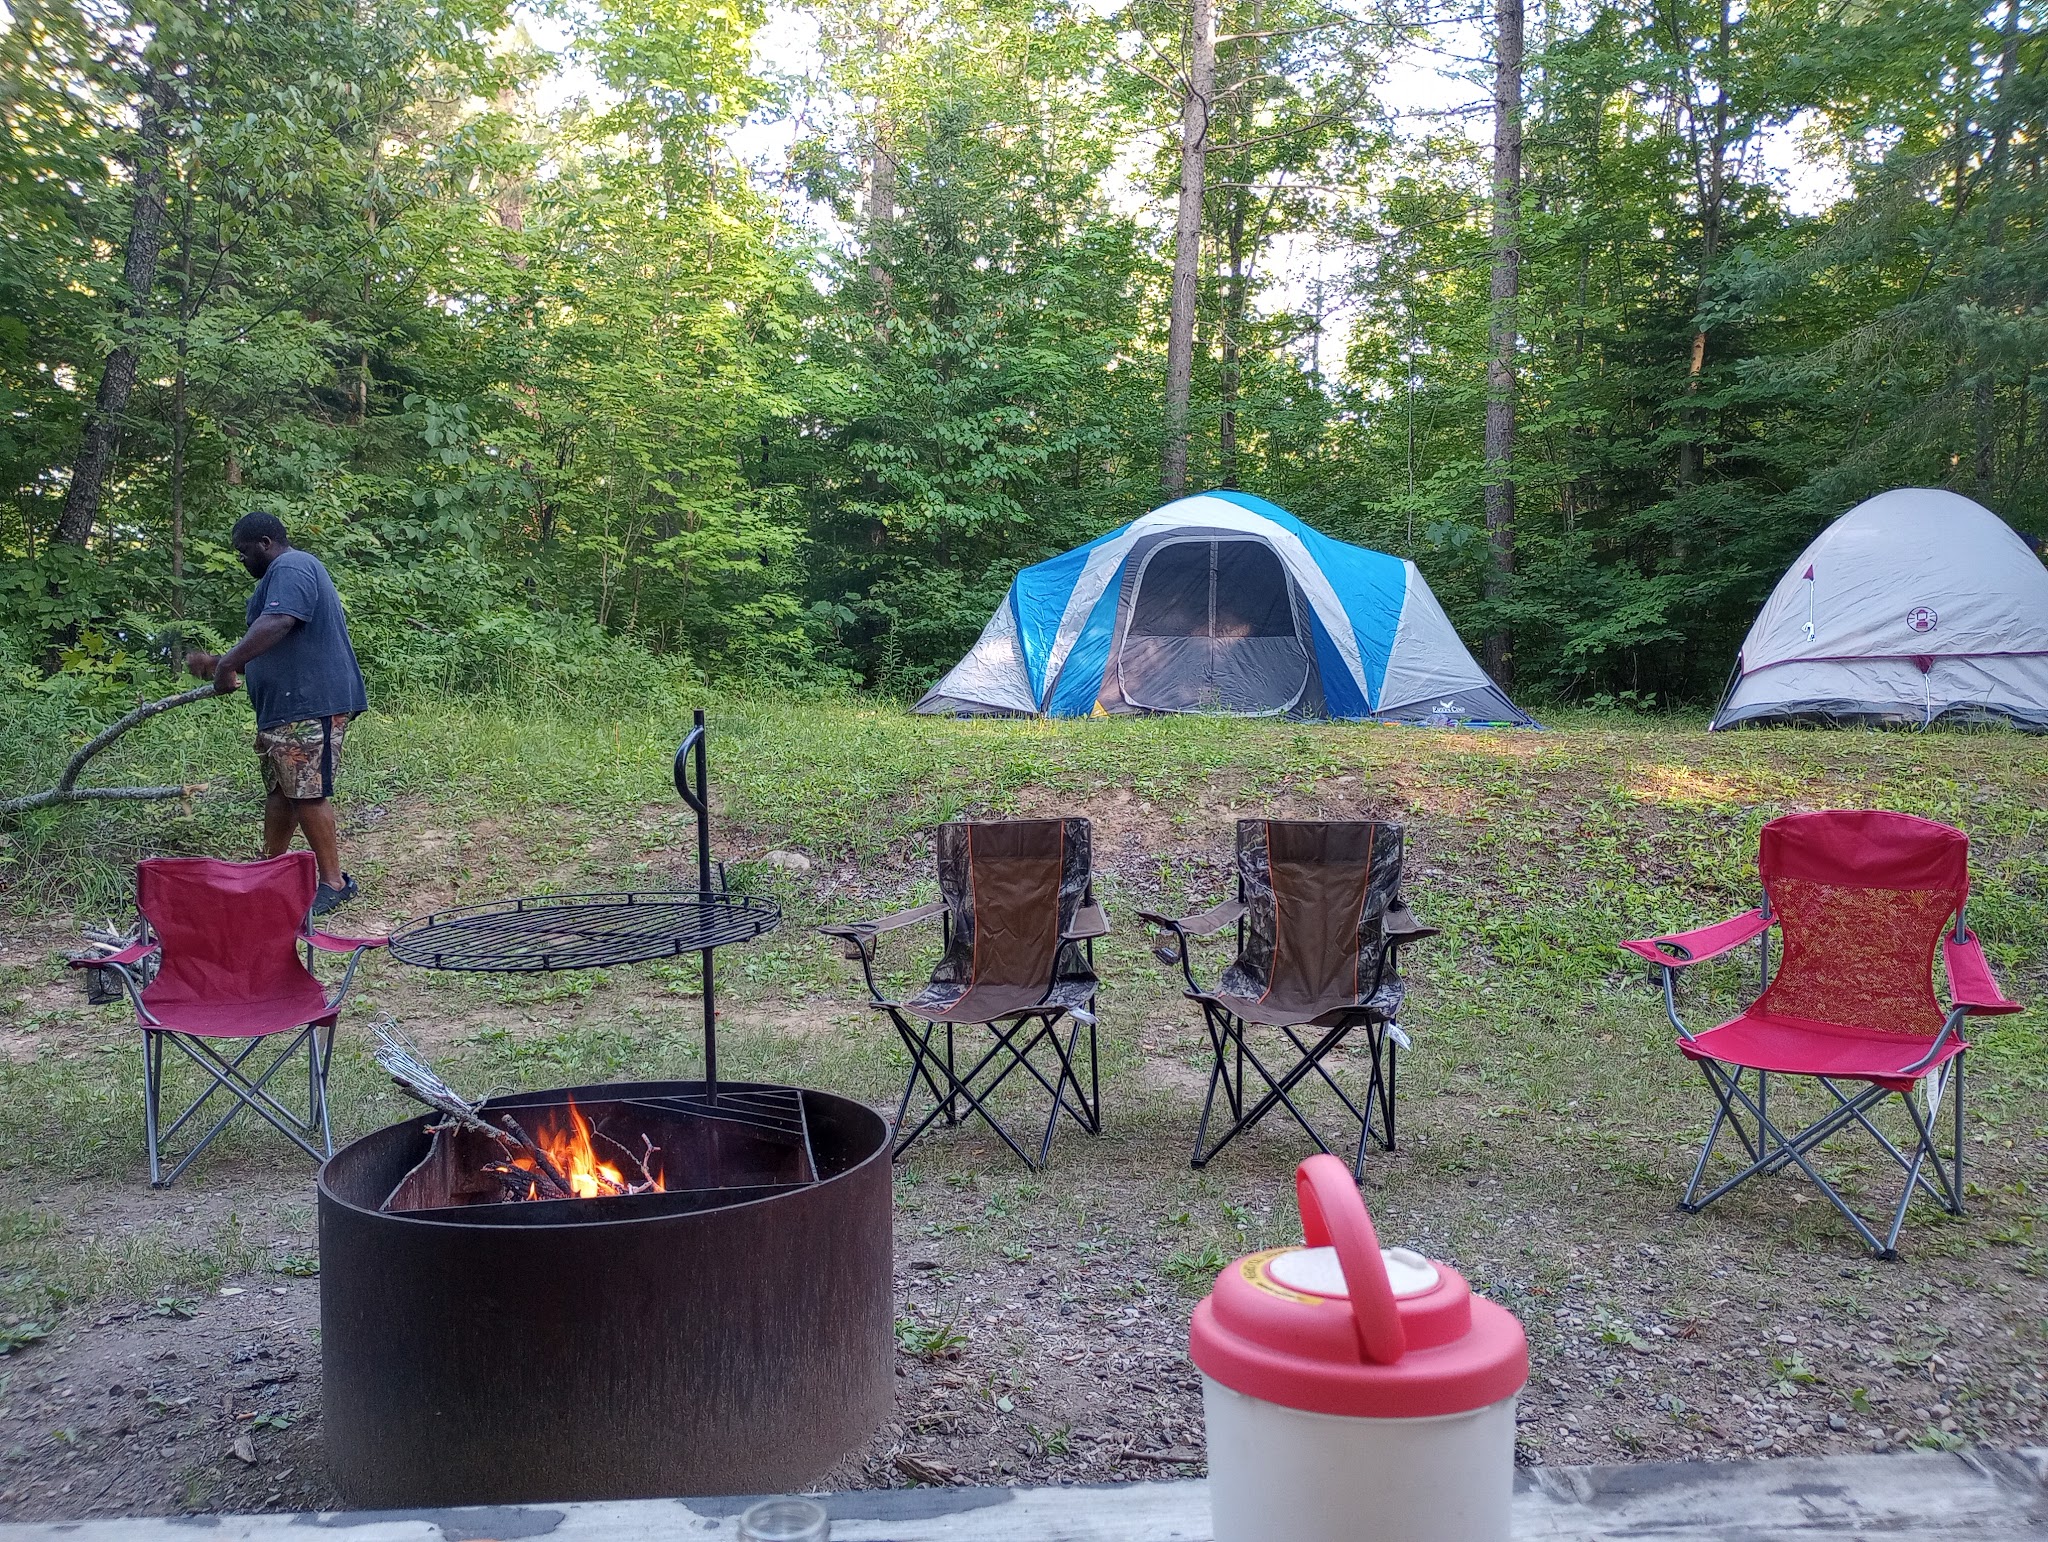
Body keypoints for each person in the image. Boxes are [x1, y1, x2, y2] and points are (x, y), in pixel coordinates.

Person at [186, 511, 369, 917]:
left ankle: (335, 883)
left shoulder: (293, 565)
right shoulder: (276, 581)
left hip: (309, 703)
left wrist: (225, 665)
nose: (241, 559)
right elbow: (266, 641)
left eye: (244, 551)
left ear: (266, 543)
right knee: (281, 795)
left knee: (307, 793)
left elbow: (279, 624)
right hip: (281, 711)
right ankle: (270, 872)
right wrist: (220, 661)